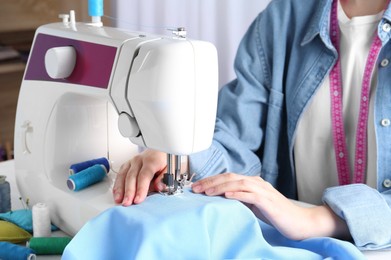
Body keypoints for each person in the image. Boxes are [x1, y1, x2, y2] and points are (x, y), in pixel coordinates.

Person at [113, 0, 391, 250]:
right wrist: (180, 154)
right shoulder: (284, 17)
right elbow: (236, 133)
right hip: (297, 244)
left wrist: (312, 218)